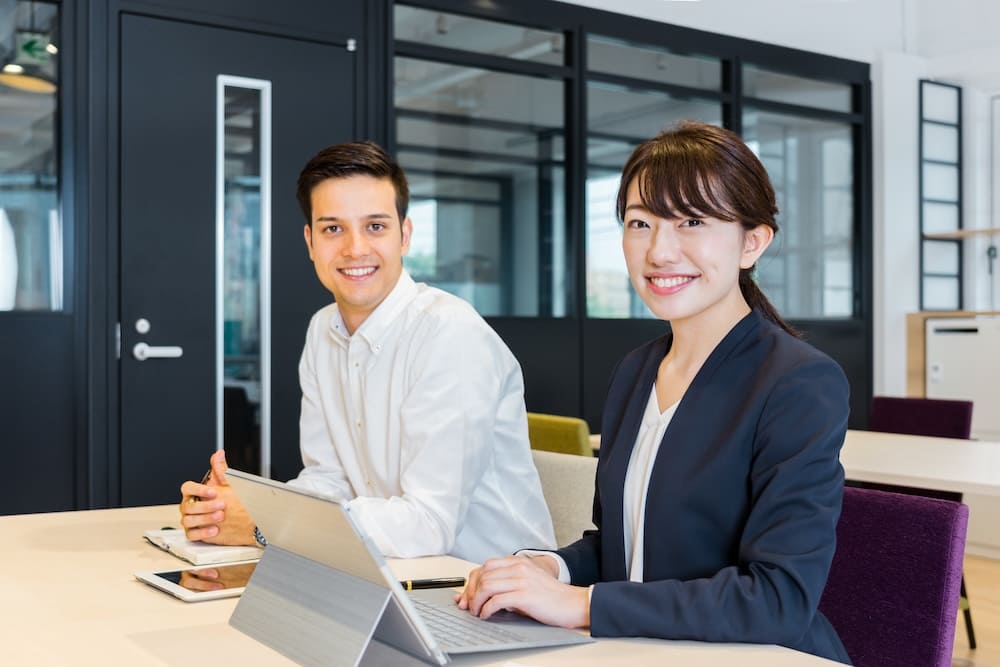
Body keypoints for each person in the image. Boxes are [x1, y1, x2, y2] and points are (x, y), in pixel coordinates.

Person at [457, 121, 852, 664]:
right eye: (640, 223)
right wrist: (549, 568)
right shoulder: (637, 370)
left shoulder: (798, 382)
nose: (660, 251)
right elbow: (625, 547)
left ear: (752, 242)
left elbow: (776, 600)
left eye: (692, 221)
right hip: (645, 649)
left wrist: (582, 604)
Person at [179, 141, 555, 564]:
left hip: (488, 581)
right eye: (333, 229)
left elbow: (428, 524)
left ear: (404, 235)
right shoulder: (323, 330)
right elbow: (328, 480)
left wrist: (263, 525)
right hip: (383, 571)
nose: (355, 248)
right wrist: (236, 509)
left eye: (375, 226)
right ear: (310, 242)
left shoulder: (450, 335)